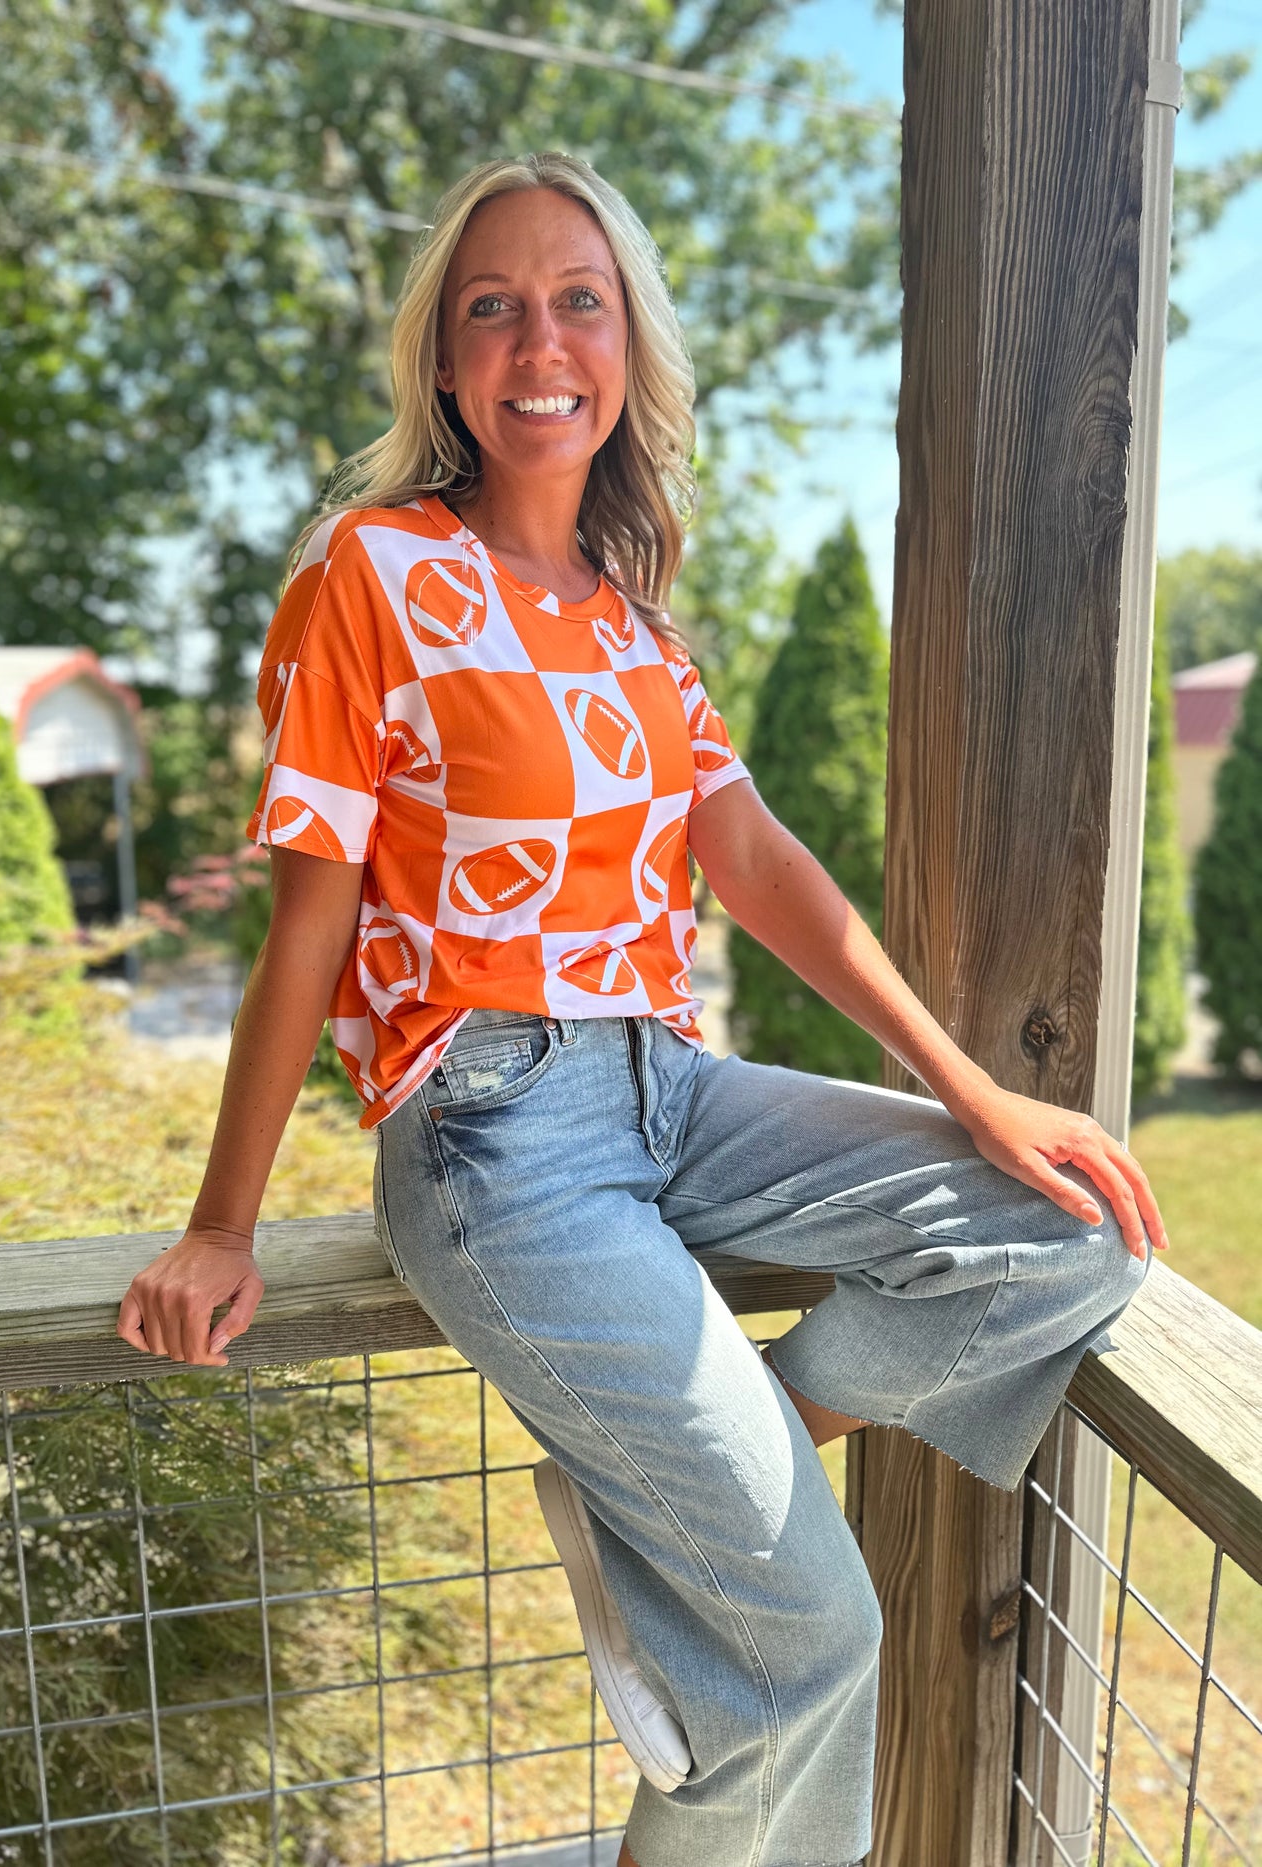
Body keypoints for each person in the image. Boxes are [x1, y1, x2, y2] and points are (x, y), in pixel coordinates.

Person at [117, 149, 1167, 1867]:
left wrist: (981, 1095)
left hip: (674, 1086)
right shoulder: (371, 575)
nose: (541, 337)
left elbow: (757, 865)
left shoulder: (633, 632)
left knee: (1067, 1234)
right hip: (493, 1131)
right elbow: (306, 918)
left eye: (578, 300)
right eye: (493, 305)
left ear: (627, 351)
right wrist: (218, 1226)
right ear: (448, 365)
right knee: (814, 1641)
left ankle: (687, 1480)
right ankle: (685, 1514)